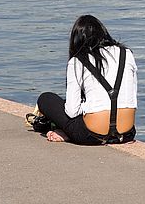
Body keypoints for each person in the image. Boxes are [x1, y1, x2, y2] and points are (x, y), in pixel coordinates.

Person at [35, 15, 137, 144]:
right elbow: (131, 97)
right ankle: (66, 131)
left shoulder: (77, 61)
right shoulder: (126, 54)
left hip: (91, 136)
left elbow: (72, 112)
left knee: (46, 98)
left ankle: (66, 133)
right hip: (126, 133)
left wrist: (86, 105)